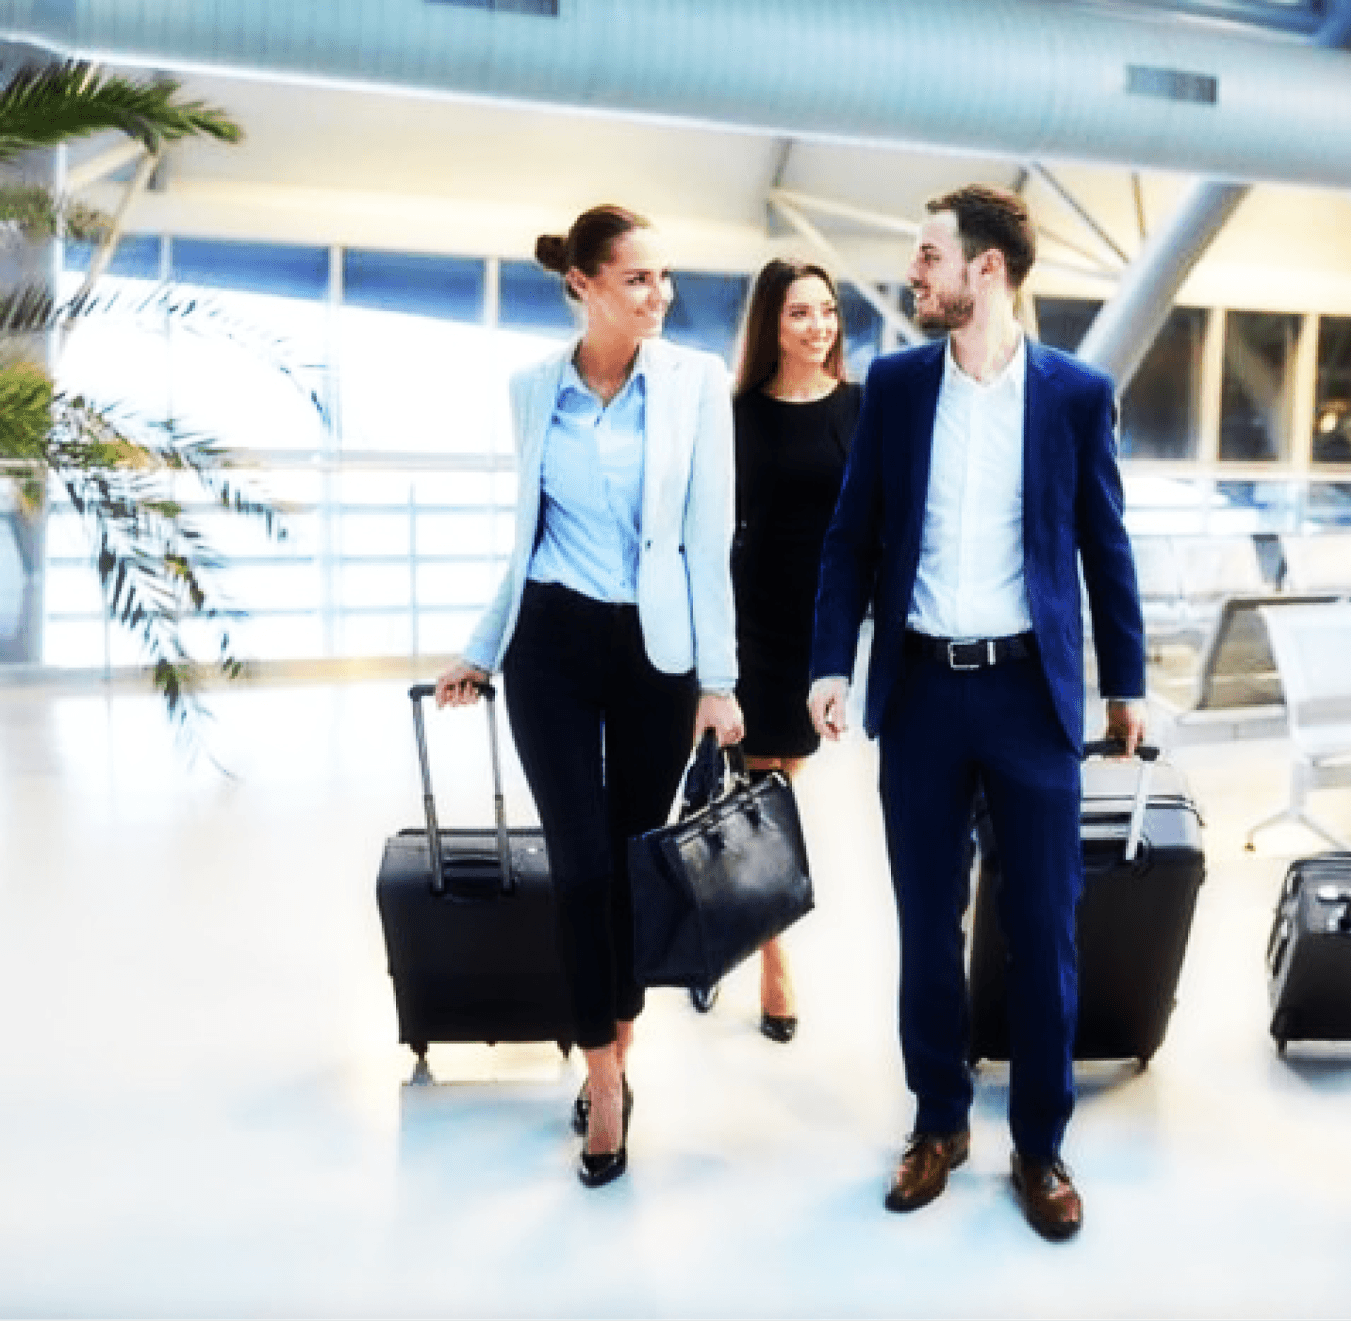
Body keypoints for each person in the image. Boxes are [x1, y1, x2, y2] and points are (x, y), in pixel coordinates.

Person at [807, 184, 1145, 1243]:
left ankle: (1040, 1145)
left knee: (1045, 926)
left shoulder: (1076, 395)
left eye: (930, 256)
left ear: (986, 268)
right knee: (926, 923)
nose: (918, 273)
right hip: (918, 692)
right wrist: (830, 662)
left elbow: (1105, 545)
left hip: (1028, 695)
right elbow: (850, 539)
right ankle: (938, 1120)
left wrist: (1125, 681)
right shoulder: (900, 388)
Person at [433, 203, 744, 1190]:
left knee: (624, 861)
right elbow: (525, 532)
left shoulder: (696, 384)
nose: (660, 295)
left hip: (656, 652)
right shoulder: (533, 390)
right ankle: (604, 1079)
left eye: (664, 277)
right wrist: (481, 648)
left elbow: (707, 541)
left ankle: (617, 1038)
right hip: (555, 643)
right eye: (637, 279)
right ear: (583, 285)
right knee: (576, 866)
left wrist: (720, 680)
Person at [727, 258, 862, 1044]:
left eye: (827, 312)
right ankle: (774, 956)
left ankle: (753, 920)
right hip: (753, 624)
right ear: (770, 326)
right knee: (762, 795)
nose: (818, 328)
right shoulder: (739, 413)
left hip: (824, 627)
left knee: (780, 786)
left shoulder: (861, 406)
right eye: (799, 315)